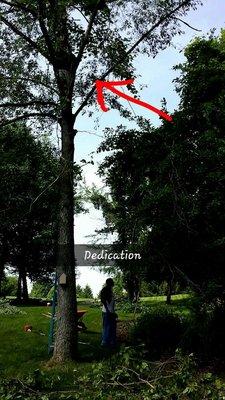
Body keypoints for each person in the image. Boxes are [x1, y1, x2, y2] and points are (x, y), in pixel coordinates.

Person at [100, 278, 117, 346]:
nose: (113, 283)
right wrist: (107, 310)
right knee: (106, 327)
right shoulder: (105, 290)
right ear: (110, 283)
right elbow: (103, 301)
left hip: (110, 312)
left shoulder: (110, 290)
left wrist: (113, 312)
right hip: (106, 312)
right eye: (112, 282)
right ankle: (104, 342)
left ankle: (111, 341)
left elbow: (111, 303)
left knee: (112, 327)